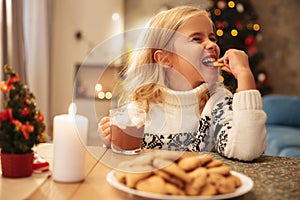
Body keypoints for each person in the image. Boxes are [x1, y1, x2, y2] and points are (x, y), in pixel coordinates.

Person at [98, 6, 266, 161]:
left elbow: (247, 149)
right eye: (196, 39)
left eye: (212, 38)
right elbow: (127, 157)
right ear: (164, 59)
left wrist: (244, 75)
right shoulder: (142, 107)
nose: (212, 45)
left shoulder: (217, 103)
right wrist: (112, 140)